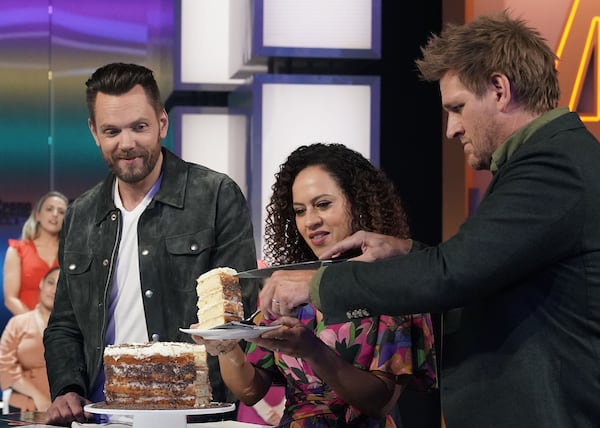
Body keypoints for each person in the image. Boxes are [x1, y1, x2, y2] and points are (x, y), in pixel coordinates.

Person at [258, 11, 600, 428]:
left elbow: (453, 274)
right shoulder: (547, 160)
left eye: (457, 108)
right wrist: (405, 251)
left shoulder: (552, 167)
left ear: (499, 89)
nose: (451, 129)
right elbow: (480, 264)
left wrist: (318, 282)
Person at [42, 62, 260, 426]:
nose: (127, 143)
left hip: (193, 413)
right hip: (102, 413)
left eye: (139, 127)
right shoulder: (81, 213)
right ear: (94, 132)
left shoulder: (215, 195)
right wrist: (67, 387)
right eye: (112, 130)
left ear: (162, 122)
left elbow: (239, 312)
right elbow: (64, 323)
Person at [192, 143, 438, 427]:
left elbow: (379, 402)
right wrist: (226, 346)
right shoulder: (290, 284)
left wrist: (312, 350)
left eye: (323, 204)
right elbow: (251, 390)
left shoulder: (390, 284)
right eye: (299, 211)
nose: (310, 221)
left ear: (358, 202)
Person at [0, 266, 59, 412]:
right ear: (41, 283)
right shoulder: (18, 323)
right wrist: (38, 396)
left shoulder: (73, 327)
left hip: (62, 406)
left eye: (60, 286)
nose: (53, 290)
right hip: (24, 406)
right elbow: (5, 367)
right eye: (50, 283)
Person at [3, 191, 68, 316]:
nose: (55, 215)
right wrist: (36, 325)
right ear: (37, 215)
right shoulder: (17, 251)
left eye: (61, 212)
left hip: (63, 330)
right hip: (27, 328)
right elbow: (10, 299)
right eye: (49, 209)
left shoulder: (72, 252)